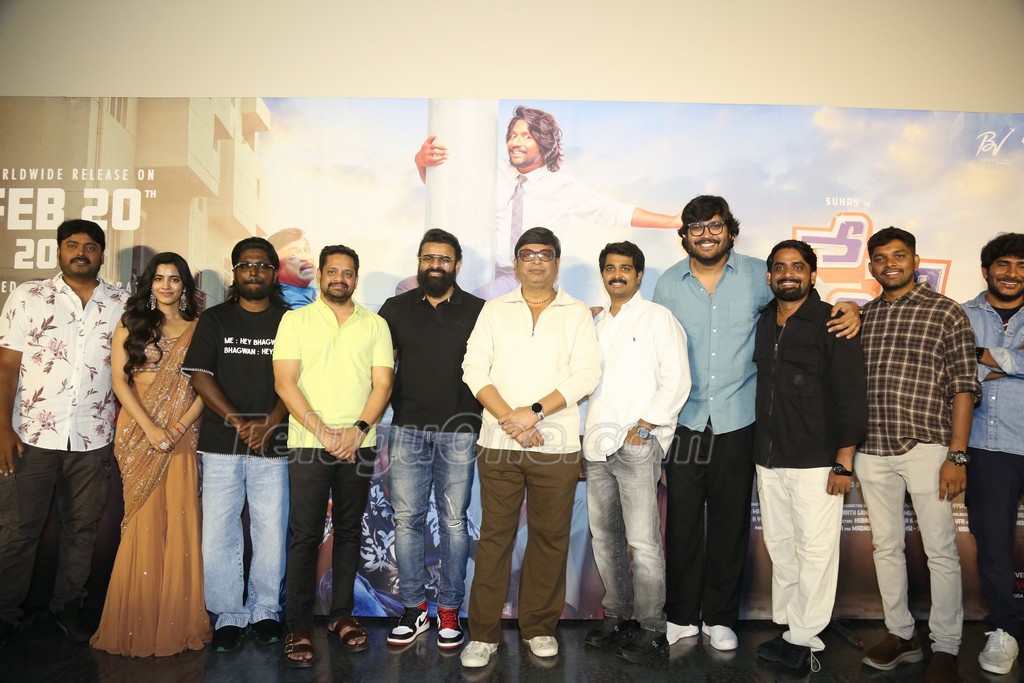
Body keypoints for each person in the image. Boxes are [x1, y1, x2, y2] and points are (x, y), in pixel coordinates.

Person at [652, 196, 860, 651]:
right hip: (685, 422)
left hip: (739, 419)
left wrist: (849, 307)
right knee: (682, 522)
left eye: (715, 225)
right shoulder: (668, 283)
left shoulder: (756, 276)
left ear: (730, 230)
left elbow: (799, 307)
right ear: (684, 235)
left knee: (730, 524)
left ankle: (720, 618)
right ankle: (681, 615)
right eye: (696, 227)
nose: (706, 234)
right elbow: (654, 348)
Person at [459, 227, 601, 668]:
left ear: (556, 262)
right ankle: (483, 635)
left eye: (545, 254)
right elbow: (473, 368)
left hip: (556, 446)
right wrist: (512, 418)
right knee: (494, 539)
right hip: (499, 443)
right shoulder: (494, 310)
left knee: (549, 539)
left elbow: (586, 375)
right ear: (517, 262)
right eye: (527, 254)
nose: (536, 261)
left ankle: (539, 628)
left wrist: (534, 413)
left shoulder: (576, 312)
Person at [856, 227, 980, 683]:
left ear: (915, 260)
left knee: (940, 550)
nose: (890, 264)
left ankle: (946, 647)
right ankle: (902, 634)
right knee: (885, 546)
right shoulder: (864, 316)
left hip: (927, 447)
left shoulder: (946, 311)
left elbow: (964, 386)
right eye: (881, 257)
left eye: (899, 255)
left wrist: (957, 455)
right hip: (872, 449)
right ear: (871, 266)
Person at [0, 219, 128, 647]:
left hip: (93, 436)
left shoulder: (121, 303)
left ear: (102, 254)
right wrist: (2, 427)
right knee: (17, 530)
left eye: (90, 247)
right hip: (31, 434)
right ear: (59, 250)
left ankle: (68, 607)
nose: (81, 253)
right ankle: (4, 614)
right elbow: (6, 366)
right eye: (72, 245)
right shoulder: (29, 296)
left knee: (82, 529)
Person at [412, 105, 682, 298]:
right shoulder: (492, 172)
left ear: (543, 143)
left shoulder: (562, 187)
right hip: (477, 267)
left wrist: (671, 221)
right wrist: (421, 162)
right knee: (408, 291)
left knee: (471, 302)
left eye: (526, 136)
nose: (515, 142)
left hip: (519, 275)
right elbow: (451, 195)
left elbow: (613, 212)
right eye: (513, 135)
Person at [751, 240, 867, 682]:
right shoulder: (764, 320)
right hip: (769, 457)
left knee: (815, 551)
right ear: (769, 276)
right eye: (780, 267)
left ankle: (805, 637)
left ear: (813, 275)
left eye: (798, 267)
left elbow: (851, 394)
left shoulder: (832, 321)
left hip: (817, 460)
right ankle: (791, 627)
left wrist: (844, 461)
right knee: (781, 546)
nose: (788, 274)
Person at [273, 245, 394, 667]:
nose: (340, 278)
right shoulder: (295, 320)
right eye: (332, 271)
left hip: (358, 442)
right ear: (322, 275)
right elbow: (285, 382)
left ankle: (342, 615)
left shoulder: (375, 324)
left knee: (348, 531)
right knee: (305, 535)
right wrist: (323, 432)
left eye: (348, 272)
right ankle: (299, 625)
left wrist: (357, 431)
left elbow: (383, 384)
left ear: (355, 278)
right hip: (309, 442)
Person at [91, 252, 210, 656]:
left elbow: (207, 386)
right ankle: (135, 622)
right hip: (138, 432)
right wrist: (151, 428)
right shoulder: (132, 323)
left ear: (185, 286)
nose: (166, 286)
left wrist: (177, 428)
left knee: (179, 519)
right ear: (149, 284)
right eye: (159, 278)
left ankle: (174, 622)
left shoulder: (199, 328)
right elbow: (119, 382)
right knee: (142, 520)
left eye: (174, 279)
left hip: (183, 434)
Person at [181, 236, 291, 652]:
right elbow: (200, 375)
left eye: (262, 265)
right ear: (235, 271)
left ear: (274, 273)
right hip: (220, 444)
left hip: (273, 443)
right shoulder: (215, 319)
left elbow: (299, 379)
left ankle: (265, 610)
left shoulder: (290, 321)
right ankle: (228, 613)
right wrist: (240, 422)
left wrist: (270, 422)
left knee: (271, 531)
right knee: (218, 534)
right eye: (246, 265)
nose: (254, 272)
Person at [582, 241, 690, 663]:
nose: (617, 275)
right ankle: (616, 616)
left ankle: (652, 627)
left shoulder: (658, 318)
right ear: (603, 274)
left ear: (639, 275)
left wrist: (645, 426)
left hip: (638, 443)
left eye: (625, 268)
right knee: (605, 538)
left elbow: (677, 379)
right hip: (597, 445)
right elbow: (584, 385)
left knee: (643, 542)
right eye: (610, 268)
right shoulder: (593, 324)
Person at [378, 229, 485, 649]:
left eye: (443, 259)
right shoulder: (395, 309)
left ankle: (449, 610)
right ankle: (414, 608)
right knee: (407, 521)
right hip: (407, 429)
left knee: (454, 522)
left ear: (457, 264)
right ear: (419, 262)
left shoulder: (478, 310)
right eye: (428, 258)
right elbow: (379, 369)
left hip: (459, 431)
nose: (435, 265)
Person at [961, 233, 1024, 675]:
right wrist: (1012, 362)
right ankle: (1004, 630)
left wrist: (986, 356)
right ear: (986, 270)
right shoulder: (961, 315)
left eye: (1021, 265)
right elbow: (952, 368)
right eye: (1003, 264)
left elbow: (972, 361)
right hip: (987, 446)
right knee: (994, 546)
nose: (1012, 274)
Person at [268, 227, 318, 309]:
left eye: (306, 250)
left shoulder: (310, 292)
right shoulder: (293, 304)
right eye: (293, 254)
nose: (305, 257)